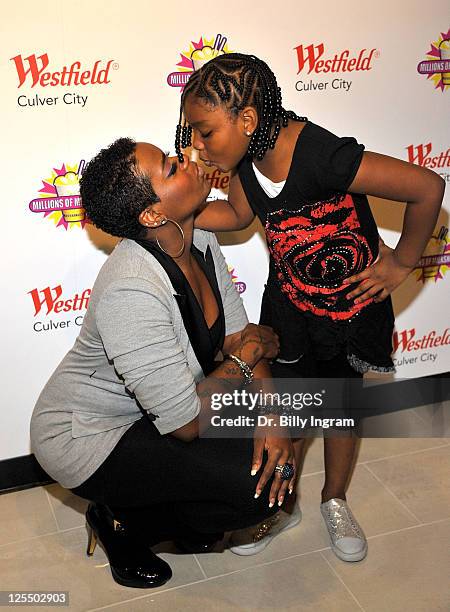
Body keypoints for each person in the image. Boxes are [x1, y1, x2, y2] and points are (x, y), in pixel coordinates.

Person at [175, 53, 445, 562]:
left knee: (341, 409)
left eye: (205, 132)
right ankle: (283, 504)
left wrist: (402, 261)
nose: (198, 145)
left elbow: (428, 187)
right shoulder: (244, 160)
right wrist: (180, 210)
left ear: (247, 120)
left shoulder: (320, 154)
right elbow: (236, 214)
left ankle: (335, 498)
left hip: (349, 311)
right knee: (292, 409)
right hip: (291, 307)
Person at [30, 137, 300, 589]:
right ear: (153, 215)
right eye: (171, 168)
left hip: (160, 411)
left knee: (299, 398)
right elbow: (187, 423)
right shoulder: (130, 289)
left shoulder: (198, 236)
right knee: (254, 489)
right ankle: (124, 523)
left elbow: (242, 338)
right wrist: (246, 356)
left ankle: (159, 510)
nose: (185, 161)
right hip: (90, 435)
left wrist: (273, 418)